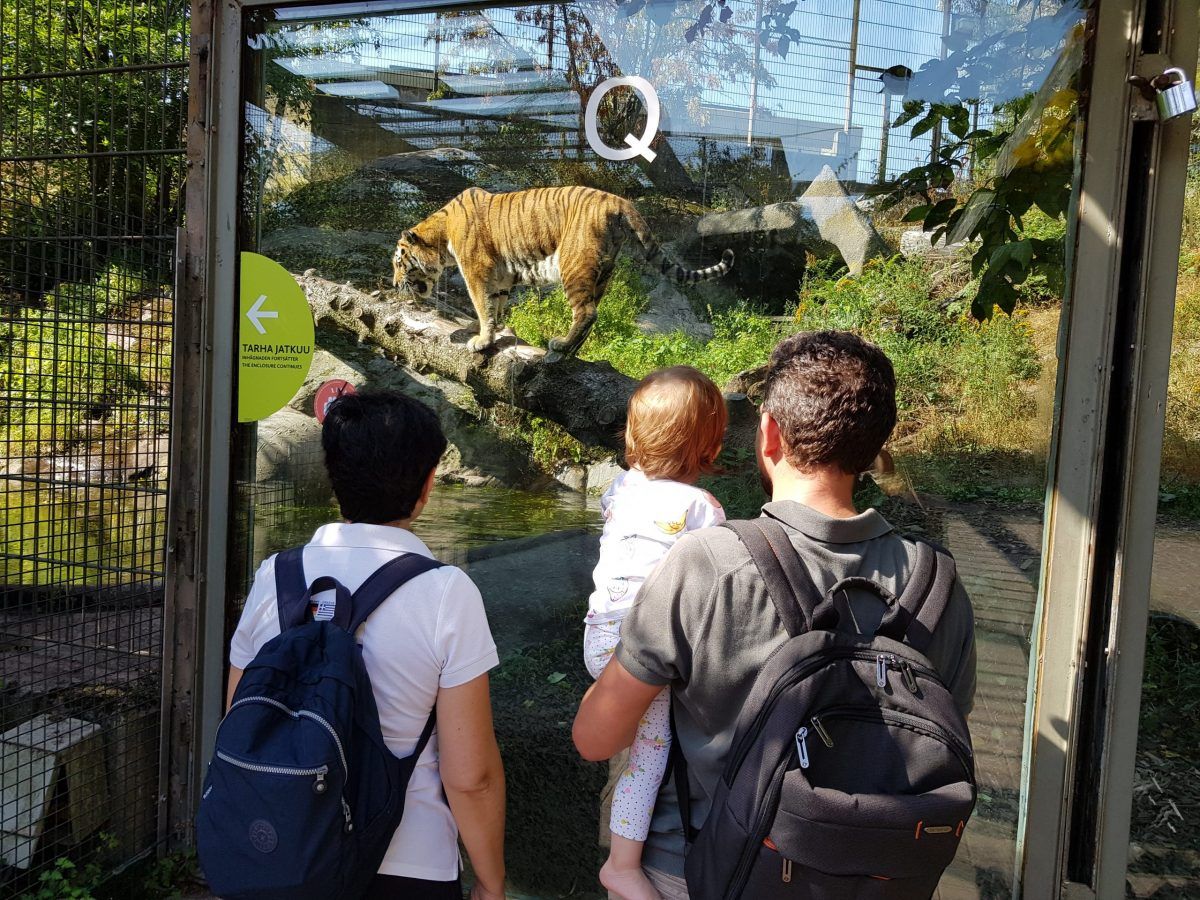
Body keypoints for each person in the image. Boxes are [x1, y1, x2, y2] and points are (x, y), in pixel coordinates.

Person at [573, 331, 977, 899]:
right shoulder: (937, 585)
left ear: (769, 434)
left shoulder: (710, 564)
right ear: (874, 446)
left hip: (696, 871)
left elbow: (595, 739)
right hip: (870, 881)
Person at [226, 390, 507, 900]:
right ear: (425, 487)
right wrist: (491, 882)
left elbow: (242, 713)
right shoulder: (446, 592)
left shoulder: (276, 576)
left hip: (280, 849)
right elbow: (471, 776)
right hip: (408, 862)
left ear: (334, 476)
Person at [583, 366, 727, 900]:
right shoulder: (702, 509)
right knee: (650, 748)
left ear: (632, 435)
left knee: (628, 738)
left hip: (599, 636)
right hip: (644, 648)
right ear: (709, 445)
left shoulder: (621, 488)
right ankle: (622, 865)